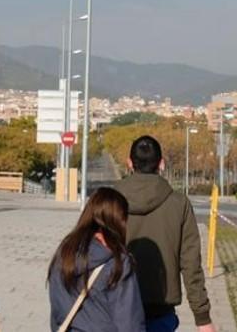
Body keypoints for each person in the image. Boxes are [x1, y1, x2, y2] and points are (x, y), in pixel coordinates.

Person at [113, 136, 215, 332]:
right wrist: (202, 317)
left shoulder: (109, 201)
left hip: (117, 307)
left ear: (129, 162)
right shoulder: (179, 203)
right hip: (161, 309)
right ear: (161, 163)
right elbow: (191, 264)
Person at [47, 187, 145, 332]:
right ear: (119, 221)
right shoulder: (119, 264)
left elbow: (57, 312)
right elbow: (129, 324)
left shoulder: (65, 252)